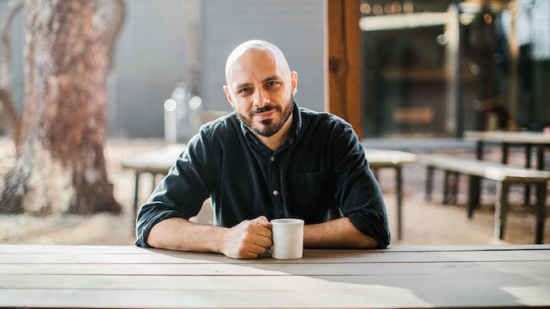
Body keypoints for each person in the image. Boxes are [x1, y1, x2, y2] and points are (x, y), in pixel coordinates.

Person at [135, 40, 390, 259]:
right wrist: (224, 240)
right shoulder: (213, 141)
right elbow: (151, 222)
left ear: (292, 82)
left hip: (331, 282)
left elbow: (373, 226)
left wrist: (278, 237)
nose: (261, 101)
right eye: (245, 90)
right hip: (237, 285)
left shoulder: (334, 135)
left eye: (272, 84)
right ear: (230, 97)